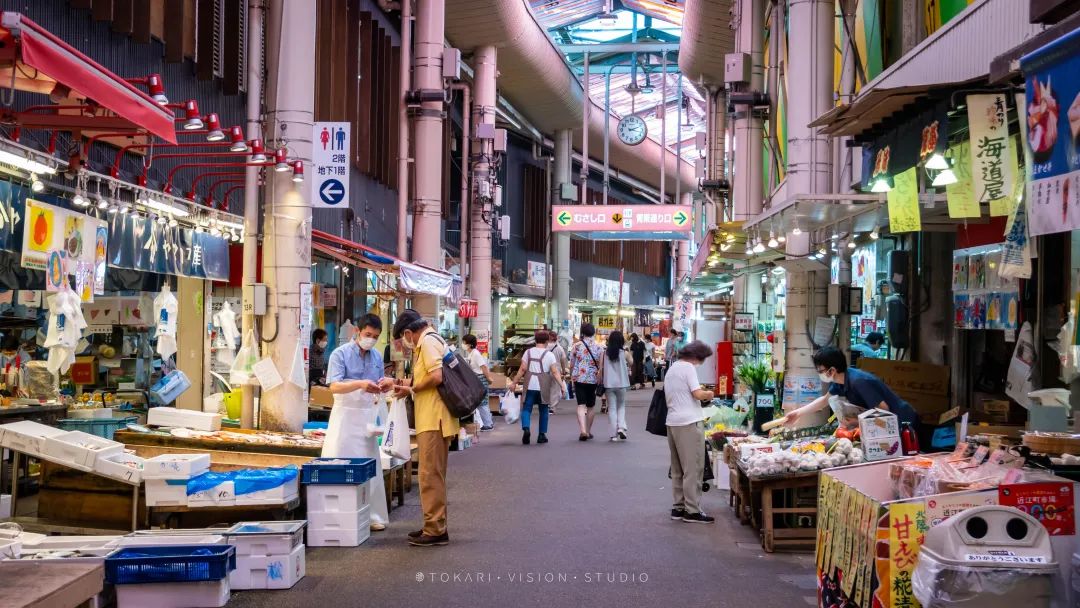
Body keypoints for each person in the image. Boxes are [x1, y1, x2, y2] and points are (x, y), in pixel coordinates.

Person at [392, 309, 459, 547]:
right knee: (432, 474)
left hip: (434, 420)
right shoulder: (432, 340)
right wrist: (403, 384)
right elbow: (428, 377)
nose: (406, 344)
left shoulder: (428, 342)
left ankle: (435, 529)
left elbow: (437, 377)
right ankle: (434, 524)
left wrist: (412, 389)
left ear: (409, 332)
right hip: (434, 418)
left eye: (404, 339)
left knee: (430, 475)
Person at [323, 313, 395, 531]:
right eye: (367, 334)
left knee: (370, 467)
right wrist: (360, 384)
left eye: (375, 336)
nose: (370, 339)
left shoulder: (375, 357)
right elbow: (334, 386)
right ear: (357, 331)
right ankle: (337, 518)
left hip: (367, 420)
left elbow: (377, 383)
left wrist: (382, 386)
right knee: (341, 464)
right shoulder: (339, 354)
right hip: (345, 418)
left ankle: (371, 515)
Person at [782, 346, 919, 430]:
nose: (819, 373)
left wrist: (858, 422)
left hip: (903, 423)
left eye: (820, 370)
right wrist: (797, 413)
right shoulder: (840, 380)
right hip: (886, 424)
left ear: (832, 370)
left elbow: (884, 410)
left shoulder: (859, 382)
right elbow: (824, 401)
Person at [664, 340, 716, 524]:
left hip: (672, 423)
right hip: (689, 422)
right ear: (697, 357)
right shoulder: (688, 368)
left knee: (678, 468)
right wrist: (709, 394)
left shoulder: (673, 368)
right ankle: (692, 510)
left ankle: (678, 507)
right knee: (693, 468)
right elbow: (697, 394)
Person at [511, 330, 564, 445]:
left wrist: (514, 382)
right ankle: (541, 435)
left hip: (529, 384)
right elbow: (555, 372)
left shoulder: (528, 352)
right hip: (543, 385)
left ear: (535, 340)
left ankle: (526, 428)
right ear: (547, 341)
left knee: (526, 408)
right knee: (544, 410)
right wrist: (562, 385)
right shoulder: (549, 355)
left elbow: (522, 370)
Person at [568, 322, 604, 441]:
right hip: (593, 379)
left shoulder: (576, 346)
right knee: (591, 406)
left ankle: (582, 430)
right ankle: (588, 431)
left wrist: (571, 375)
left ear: (582, 332)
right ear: (593, 332)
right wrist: (600, 377)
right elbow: (601, 365)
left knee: (581, 405)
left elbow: (572, 364)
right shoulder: (599, 347)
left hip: (579, 378)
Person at [461, 334, 494, 431]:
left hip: (480, 379)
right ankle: (487, 423)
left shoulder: (475, 353)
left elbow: (483, 366)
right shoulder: (471, 353)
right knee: (480, 402)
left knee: (482, 402)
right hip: (476, 379)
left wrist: (488, 378)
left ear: (469, 344)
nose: (463, 344)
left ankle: (488, 424)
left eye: (464, 342)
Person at [603, 330, 631, 442]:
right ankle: (621, 428)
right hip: (622, 384)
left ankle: (613, 434)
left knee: (612, 408)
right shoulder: (624, 353)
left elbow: (601, 367)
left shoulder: (604, 353)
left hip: (608, 384)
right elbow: (632, 362)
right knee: (621, 406)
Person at [546, 330, 569, 412]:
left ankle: (546, 404)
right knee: (555, 389)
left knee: (546, 388)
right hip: (557, 370)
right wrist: (563, 370)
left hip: (545, 370)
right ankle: (552, 407)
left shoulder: (544, 347)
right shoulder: (559, 348)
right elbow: (563, 360)